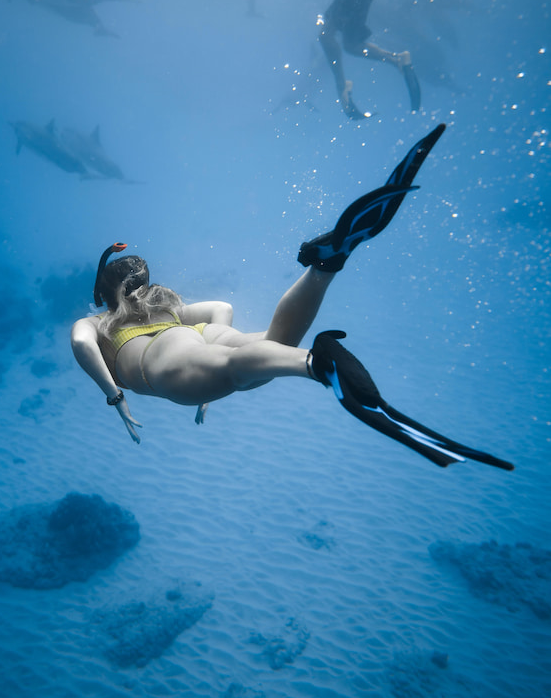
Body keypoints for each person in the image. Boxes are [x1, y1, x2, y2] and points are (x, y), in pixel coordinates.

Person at [71, 125, 513, 470]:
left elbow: (80, 345)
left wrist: (115, 397)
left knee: (236, 370)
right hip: (199, 335)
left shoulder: (99, 323)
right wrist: (202, 340)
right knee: (269, 343)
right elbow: (220, 308)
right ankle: (323, 267)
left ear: (103, 293)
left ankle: (315, 365)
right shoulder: (164, 306)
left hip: (160, 362)